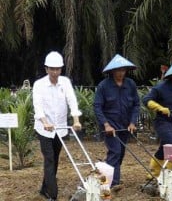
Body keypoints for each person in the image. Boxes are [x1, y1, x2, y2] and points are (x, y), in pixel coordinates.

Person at [33, 51, 82, 201]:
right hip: (44, 129)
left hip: (60, 129)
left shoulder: (65, 82)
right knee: (49, 159)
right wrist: (45, 122)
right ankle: (53, 195)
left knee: (55, 159)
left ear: (61, 69)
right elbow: (38, 106)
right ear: (46, 69)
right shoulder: (39, 84)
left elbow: (72, 101)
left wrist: (76, 120)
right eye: (52, 69)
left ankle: (44, 189)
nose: (55, 72)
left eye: (58, 69)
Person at [94, 54, 140, 191]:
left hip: (125, 125)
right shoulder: (104, 86)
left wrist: (133, 122)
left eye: (123, 70)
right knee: (115, 152)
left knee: (120, 153)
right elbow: (97, 106)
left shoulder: (130, 84)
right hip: (110, 126)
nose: (121, 73)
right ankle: (114, 183)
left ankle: (104, 174)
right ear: (112, 71)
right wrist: (106, 124)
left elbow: (136, 104)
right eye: (118, 70)